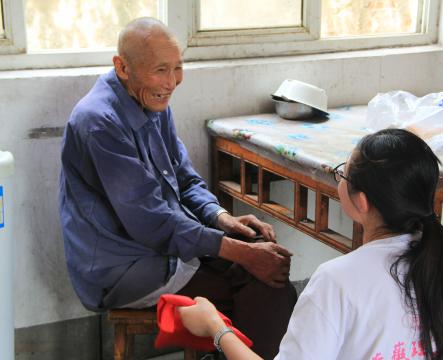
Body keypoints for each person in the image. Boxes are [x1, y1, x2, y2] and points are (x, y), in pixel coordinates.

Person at [58, 17, 296, 359]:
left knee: (260, 255)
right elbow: (151, 223)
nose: (171, 82)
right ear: (122, 67)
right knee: (261, 283)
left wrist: (222, 218)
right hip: (121, 268)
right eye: (160, 70)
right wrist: (240, 253)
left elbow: (184, 179)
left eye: (178, 68)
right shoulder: (100, 123)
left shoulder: (151, 100)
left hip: (161, 246)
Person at [178, 128, 443, 360]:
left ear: (360, 201)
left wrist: (217, 328)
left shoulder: (337, 280)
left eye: (344, 172)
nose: (340, 178)